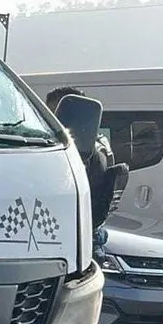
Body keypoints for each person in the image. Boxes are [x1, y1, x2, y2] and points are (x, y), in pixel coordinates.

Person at [45, 86, 127, 246]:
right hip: (88, 229)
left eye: (53, 113)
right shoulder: (97, 139)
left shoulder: (80, 146)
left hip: (77, 233)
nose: (49, 121)